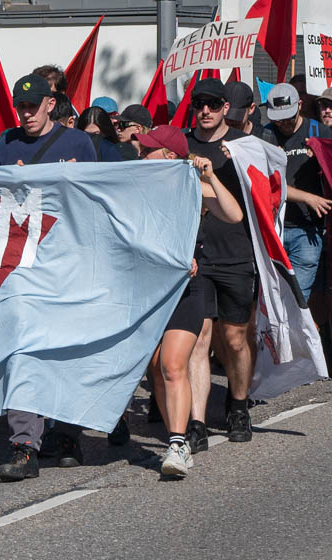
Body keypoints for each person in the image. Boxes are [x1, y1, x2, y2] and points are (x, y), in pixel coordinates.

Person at [0, 74, 96, 481]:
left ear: (51, 105)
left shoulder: (78, 144)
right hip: (22, 266)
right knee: (22, 353)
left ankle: (67, 435)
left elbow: (97, 200)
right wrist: (10, 187)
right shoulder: (7, 143)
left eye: (33, 107)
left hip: (67, 264)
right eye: (21, 107)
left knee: (64, 352)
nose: (26, 114)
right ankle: (24, 446)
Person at [134, 126, 244, 477]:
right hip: (149, 290)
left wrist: (209, 174)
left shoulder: (192, 187)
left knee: (172, 364)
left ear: (168, 155)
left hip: (187, 288)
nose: (140, 154)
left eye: (148, 149)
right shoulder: (135, 186)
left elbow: (234, 215)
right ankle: (174, 437)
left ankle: (179, 444)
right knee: (155, 369)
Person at [183, 77, 256, 450]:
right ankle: (196, 422)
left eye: (213, 104)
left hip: (237, 254)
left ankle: (238, 404)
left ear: (227, 107)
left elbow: (265, 194)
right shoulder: (183, 144)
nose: (205, 111)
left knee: (235, 339)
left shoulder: (244, 146)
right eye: (199, 104)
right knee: (200, 340)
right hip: (195, 258)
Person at [262, 83, 332, 305]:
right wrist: (308, 198)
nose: (282, 124)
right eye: (277, 118)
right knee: (272, 301)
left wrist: (321, 157)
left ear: (300, 105)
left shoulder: (319, 132)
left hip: (308, 231)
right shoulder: (266, 135)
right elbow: (268, 186)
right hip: (274, 230)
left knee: (295, 301)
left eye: (288, 117)